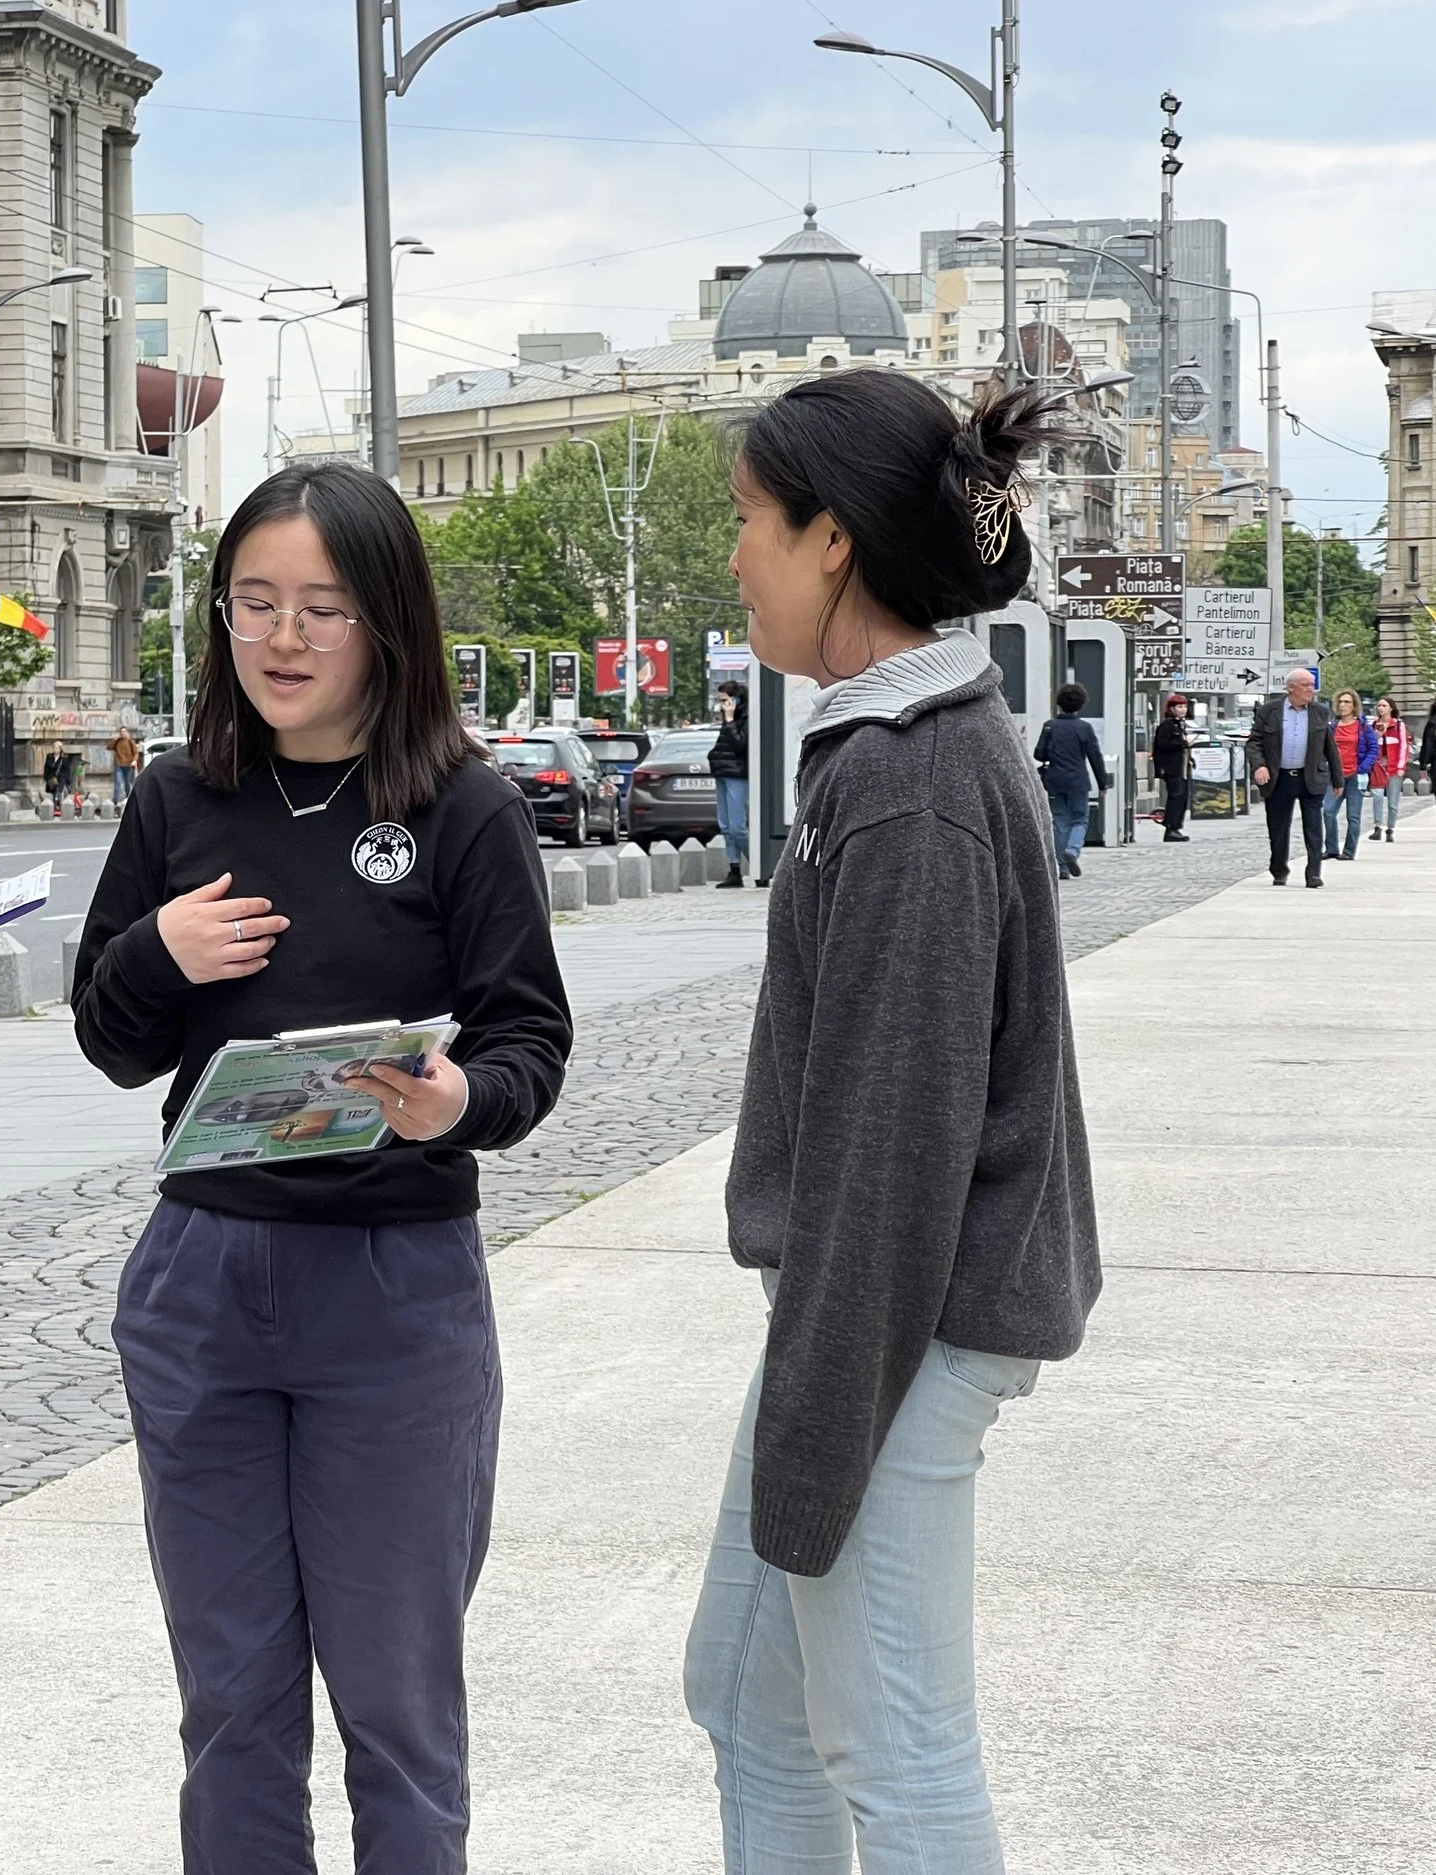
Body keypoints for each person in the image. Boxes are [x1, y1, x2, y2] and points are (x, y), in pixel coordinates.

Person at [69, 460, 572, 1873]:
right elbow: (111, 1040)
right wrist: (156, 953)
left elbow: (529, 1040)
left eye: (321, 608)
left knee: (397, 1706)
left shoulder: (465, 808)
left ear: (386, 622)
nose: (282, 639)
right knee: (230, 1701)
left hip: (394, 1288)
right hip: (203, 1283)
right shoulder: (178, 798)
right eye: (253, 603)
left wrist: (453, 1100)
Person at [689, 371, 1098, 1875]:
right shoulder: (894, 749)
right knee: (749, 1697)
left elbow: (892, 1150)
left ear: (832, 540)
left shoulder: (910, 781)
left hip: (895, 1325)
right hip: (874, 1310)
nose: (733, 554)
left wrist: (819, 1415)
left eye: (749, 519)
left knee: (896, 1747)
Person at [1246, 665, 1335, 888]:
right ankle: (1279, 870)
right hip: (1280, 778)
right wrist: (1259, 766)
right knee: (1278, 828)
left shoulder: (1320, 712)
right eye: (1306, 685)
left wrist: (1338, 779)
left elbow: (1329, 747)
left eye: (1312, 685)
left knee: (1313, 827)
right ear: (1291, 688)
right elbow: (1254, 742)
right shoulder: (1269, 711)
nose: (1311, 689)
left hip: (1310, 777)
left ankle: (1313, 873)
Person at [1033, 682, 1110, 879]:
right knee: (1080, 819)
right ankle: (1072, 850)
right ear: (1081, 704)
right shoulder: (1084, 728)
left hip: (1054, 780)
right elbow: (1095, 757)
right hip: (1078, 780)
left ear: (1059, 702)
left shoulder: (1049, 726)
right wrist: (1103, 783)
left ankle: (1063, 867)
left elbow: (1039, 754)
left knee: (1060, 820)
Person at [1324, 687, 1375, 860]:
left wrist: (1362, 767)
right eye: (1340, 702)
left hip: (1355, 776)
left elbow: (1373, 750)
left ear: (1354, 706)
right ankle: (1331, 848)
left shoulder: (1363, 728)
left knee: (1353, 816)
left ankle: (1349, 850)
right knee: (1328, 812)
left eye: (1347, 702)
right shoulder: (1332, 727)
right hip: (1335, 776)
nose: (1343, 705)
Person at [708, 678, 749, 886]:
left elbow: (740, 745)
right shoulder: (728, 718)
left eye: (725, 700)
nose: (722, 705)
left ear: (736, 700)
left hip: (738, 775)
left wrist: (731, 720)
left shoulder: (746, 718)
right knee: (725, 826)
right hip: (723, 773)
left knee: (737, 827)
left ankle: (761, 864)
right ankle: (734, 870)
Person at [1153, 692, 1194, 842]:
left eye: (1184, 707)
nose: (1183, 710)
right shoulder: (1167, 726)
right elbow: (1163, 745)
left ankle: (1177, 827)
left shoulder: (1180, 725)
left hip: (1182, 768)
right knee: (1175, 798)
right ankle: (1171, 828)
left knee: (1182, 799)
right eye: (1179, 707)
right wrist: (1184, 743)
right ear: (1171, 709)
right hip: (1172, 769)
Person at [1369, 695, 1409, 842]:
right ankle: (1377, 827)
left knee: (1392, 802)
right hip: (1378, 767)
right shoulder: (1373, 725)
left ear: (1391, 708)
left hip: (1394, 767)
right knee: (1377, 797)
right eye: (1379, 705)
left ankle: (1390, 829)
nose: (1381, 708)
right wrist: (1377, 735)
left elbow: (1404, 746)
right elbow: (1370, 745)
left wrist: (1401, 766)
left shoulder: (1398, 725)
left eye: (1384, 705)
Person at [109, 724, 140, 806]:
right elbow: (109, 747)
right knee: (118, 782)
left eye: (124, 731)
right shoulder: (117, 741)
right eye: (121, 732)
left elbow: (136, 752)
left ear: (127, 732)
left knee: (127, 783)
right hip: (119, 764)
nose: (123, 733)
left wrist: (134, 760)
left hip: (128, 765)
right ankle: (115, 800)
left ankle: (128, 799)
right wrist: (114, 739)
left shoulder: (130, 741)